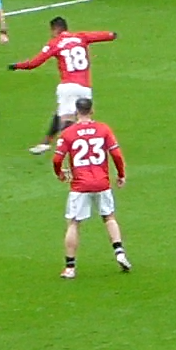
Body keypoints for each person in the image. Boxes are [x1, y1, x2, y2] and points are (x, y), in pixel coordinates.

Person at [11, 16, 118, 154]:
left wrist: (17, 66)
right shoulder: (81, 37)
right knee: (74, 116)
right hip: (85, 88)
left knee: (67, 122)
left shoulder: (55, 43)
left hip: (68, 86)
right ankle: (46, 142)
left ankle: (71, 152)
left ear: (55, 29)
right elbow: (102, 35)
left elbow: (34, 63)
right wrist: (112, 35)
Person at [52, 95, 131, 277]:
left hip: (80, 185)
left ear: (76, 112)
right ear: (92, 110)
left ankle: (70, 268)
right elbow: (117, 155)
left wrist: (60, 173)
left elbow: (57, 158)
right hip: (102, 183)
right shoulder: (103, 129)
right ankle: (119, 252)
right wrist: (120, 175)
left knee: (74, 223)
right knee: (109, 217)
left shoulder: (68, 133)